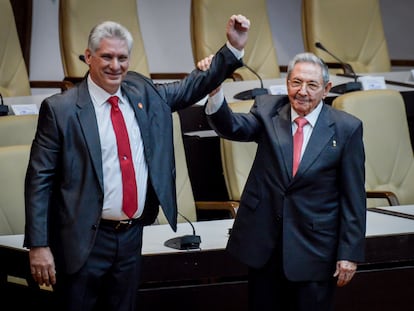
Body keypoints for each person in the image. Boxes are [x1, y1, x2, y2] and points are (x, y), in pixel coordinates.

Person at [24, 15, 250, 311]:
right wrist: (39, 245)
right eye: (106, 56)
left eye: (122, 57)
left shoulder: (141, 91)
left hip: (130, 237)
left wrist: (231, 49)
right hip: (83, 240)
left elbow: (190, 88)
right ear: (88, 57)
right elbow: (39, 178)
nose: (115, 66)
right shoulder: (61, 109)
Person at [200, 52, 366, 310]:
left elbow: (353, 197)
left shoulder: (347, 128)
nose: (302, 91)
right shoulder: (268, 110)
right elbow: (230, 126)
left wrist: (349, 253)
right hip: (266, 247)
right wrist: (215, 90)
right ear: (287, 83)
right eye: (296, 82)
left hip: (315, 249)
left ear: (326, 89)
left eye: (312, 85)